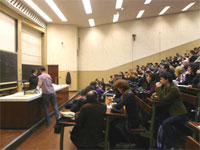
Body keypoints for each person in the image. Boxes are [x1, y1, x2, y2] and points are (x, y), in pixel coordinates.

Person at [155, 72, 187, 149]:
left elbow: (163, 99)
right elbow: (161, 96)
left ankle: (173, 145)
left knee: (166, 123)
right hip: (172, 111)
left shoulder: (173, 89)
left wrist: (158, 88)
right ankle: (163, 143)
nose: (160, 81)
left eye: (161, 79)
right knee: (159, 118)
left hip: (179, 113)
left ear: (167, 80)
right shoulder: (167, 87)